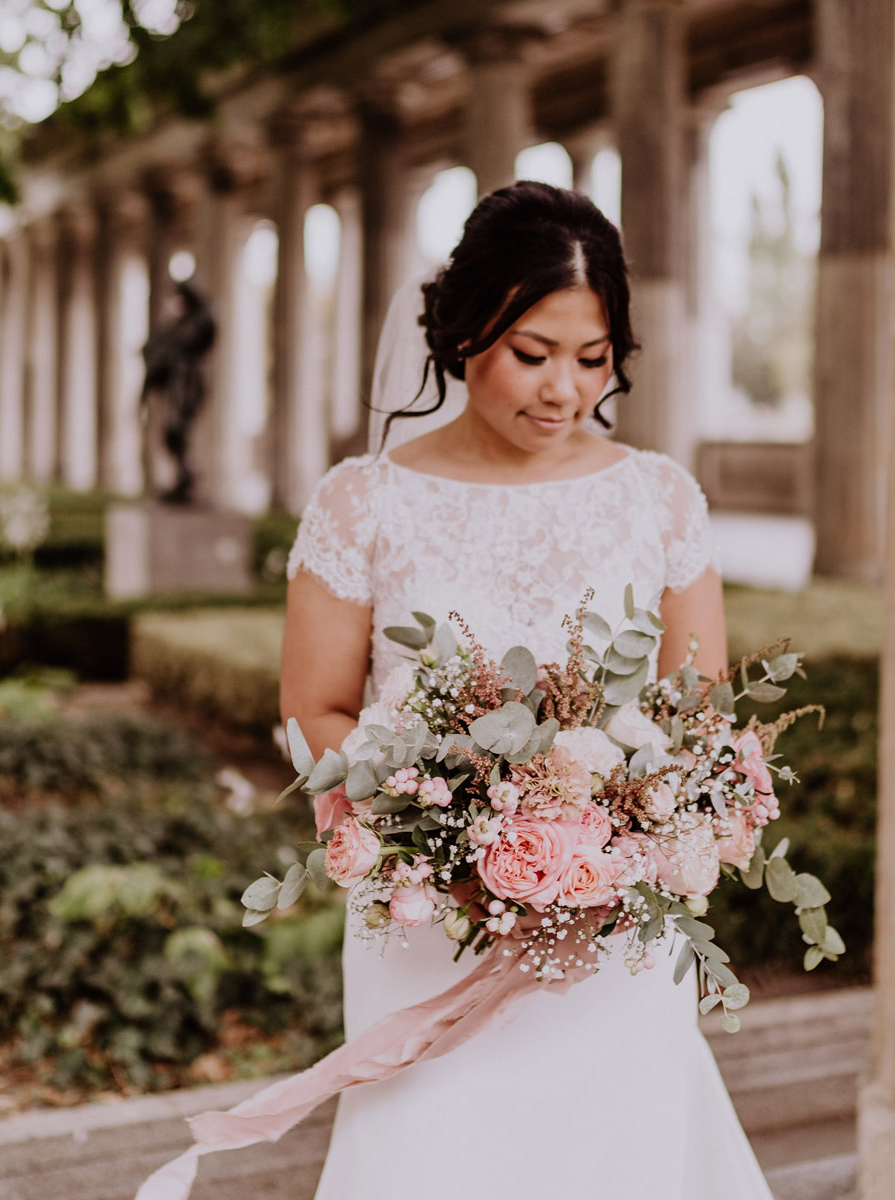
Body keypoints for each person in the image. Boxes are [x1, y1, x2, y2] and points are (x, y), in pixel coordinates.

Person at [282, 181, 773, 1198]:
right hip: (426, 925)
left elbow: (699, 718)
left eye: (592, 360)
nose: (565, 391)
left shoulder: (658, 499)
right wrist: (440, 829)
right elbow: (315, 707)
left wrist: (644, 835)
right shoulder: (365, 502)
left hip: (614, 946)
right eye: (534, 354)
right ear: (464, 335)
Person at [139, 280, 216, 504]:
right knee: (172, 433)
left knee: (177, 429)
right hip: (178, 384)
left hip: (189, 383)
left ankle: (189, 476)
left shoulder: (199, 321)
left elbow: (191, 341)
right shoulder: (180, 324)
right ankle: (185, 476)